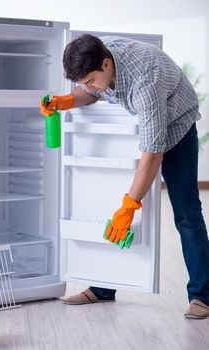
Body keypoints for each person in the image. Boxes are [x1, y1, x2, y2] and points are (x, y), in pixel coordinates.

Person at [40, 34, 209, 319]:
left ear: (107, 64)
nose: (87, 86)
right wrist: (66, 100)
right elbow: (93, 92)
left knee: (186, 212)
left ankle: (202, 295)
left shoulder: (147, 80)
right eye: (82, 82)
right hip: (141, 119)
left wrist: (131, 205)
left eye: (90, 79)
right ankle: (103, 288)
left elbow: (153, 153)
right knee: (107, 203)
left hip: (177, 124)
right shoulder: (98, 58)